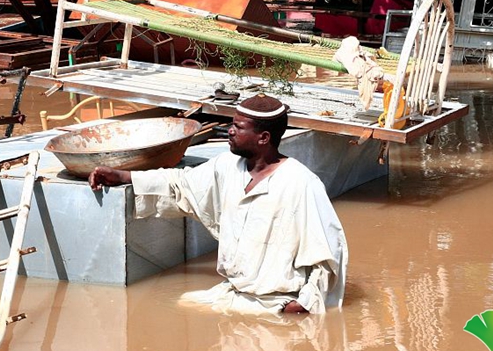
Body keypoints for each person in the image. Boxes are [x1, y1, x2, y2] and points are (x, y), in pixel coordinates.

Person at [89, 94, 348, 315]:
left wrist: (303, 304)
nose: (230, 131)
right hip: (232, 294)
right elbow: (180, 184)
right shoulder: (227, 166)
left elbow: (329, 254)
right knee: (173, 305)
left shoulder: (300, 182)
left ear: (263, 137)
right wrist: (123, 176)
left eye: (239, 126)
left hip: (277, 305)